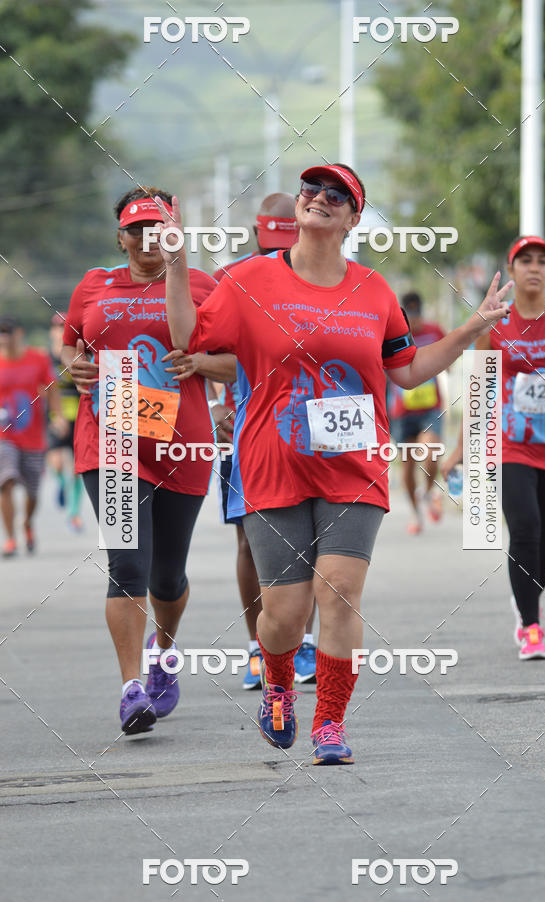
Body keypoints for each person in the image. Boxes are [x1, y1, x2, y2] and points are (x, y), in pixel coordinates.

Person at [159, 163, 512, 764]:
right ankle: (276, 682)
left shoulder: (373, 292)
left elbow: (406, 370)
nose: (319, 199)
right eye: (311, 190)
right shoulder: (247, 281)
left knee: (340, 593)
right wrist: (174, 261)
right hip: (273, 462)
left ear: (352, 219)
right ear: (298, 207)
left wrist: (473, 326)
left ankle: (328, 724)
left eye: (336, 195)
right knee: (284, 614)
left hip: (354, 465)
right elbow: (188, 337)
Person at [61, 187, 236, 735]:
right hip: (109, 440)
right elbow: (71, 344)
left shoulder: (204, 286)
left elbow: (238, 360)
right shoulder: (94, 285)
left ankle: (165, 648)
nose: (146, 239)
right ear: (121, 237)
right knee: (127, 565)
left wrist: (202, 362)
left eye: (157, 227)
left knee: (167, 575)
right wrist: (74, 366)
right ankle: (131, 689)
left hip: (182, 443)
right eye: (136, 229)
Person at [443, 236, 545, 660]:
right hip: (512, 445)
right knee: (526, 527)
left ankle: (524, 597)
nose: (535, 267)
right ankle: (531, 626)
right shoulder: (497, 322)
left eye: (543, 261)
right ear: (511, 270)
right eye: (525, 260)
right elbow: (479, 387)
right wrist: (462, 448)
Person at [212, 193, 317, 690]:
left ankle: (306, 643)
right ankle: (260, 643)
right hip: (247, 431)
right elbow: (203, 351)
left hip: (308, 427)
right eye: (271, 240)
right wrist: (218, 403)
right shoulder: (235, 279)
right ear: (255, 233)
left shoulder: (328, 275)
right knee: (250, 543)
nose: (278, 249)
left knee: (318, 539)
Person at [0, 315, 67, 556]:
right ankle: (10, 539)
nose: (4, 337)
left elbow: (51, 388)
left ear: (19, 333)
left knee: (33, 492)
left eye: (8, 331)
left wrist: (57, 416)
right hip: (4, 436)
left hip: (33, 436)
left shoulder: (37, 358)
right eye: (0, 333)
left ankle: (27, 523)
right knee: (5, 482)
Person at [387, 291, 446, 533]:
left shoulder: (434, 331)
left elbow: (449, 357)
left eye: (418, 315)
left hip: (430, 408)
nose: (416, 322)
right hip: (401, 411)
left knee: (431, 452)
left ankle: (429, 492)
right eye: (410, 317)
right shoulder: (391, 333)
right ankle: (415, 513)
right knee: (408, 467)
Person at [47, 311, 84, 531]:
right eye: (58, 328)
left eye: (65, 328)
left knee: (77, 468)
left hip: (78, 414)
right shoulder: (45, 357)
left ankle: (74, 513)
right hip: (54, 415)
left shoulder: (76, 353)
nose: (61, 332)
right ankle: (61, 485)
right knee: (58, 462)